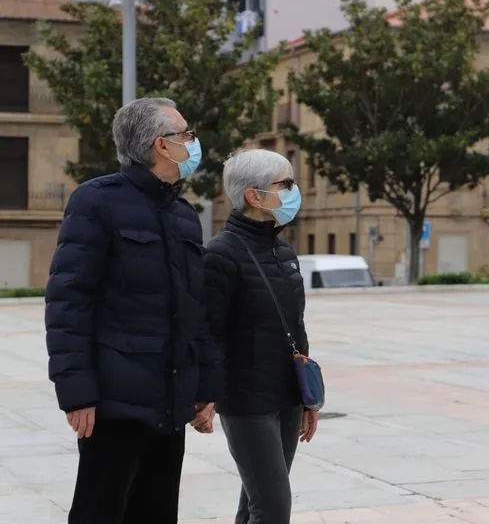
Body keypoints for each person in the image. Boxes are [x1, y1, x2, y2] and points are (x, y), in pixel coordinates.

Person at [44, 97, 221, 524]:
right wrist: (77, 393)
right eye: (186, 134)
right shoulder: (96, 201)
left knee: (157, 513)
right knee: (100, 511)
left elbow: (195, 311)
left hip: (170, 402)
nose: (193, 142)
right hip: (114, 404)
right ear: (161, 145)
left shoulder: (183, 214)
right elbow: (68, 302)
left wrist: (204, 388)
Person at [204, 149, 318, 524]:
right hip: (246, 401)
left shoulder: (283, 251)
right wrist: (204, 395)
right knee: (272, 508)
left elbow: (296, 326)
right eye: (286, 184)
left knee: (257, 504)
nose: (294, 191)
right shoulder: (220, 255)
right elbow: (208, 333)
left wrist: (308, 397)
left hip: (286, 396)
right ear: (254, 196)